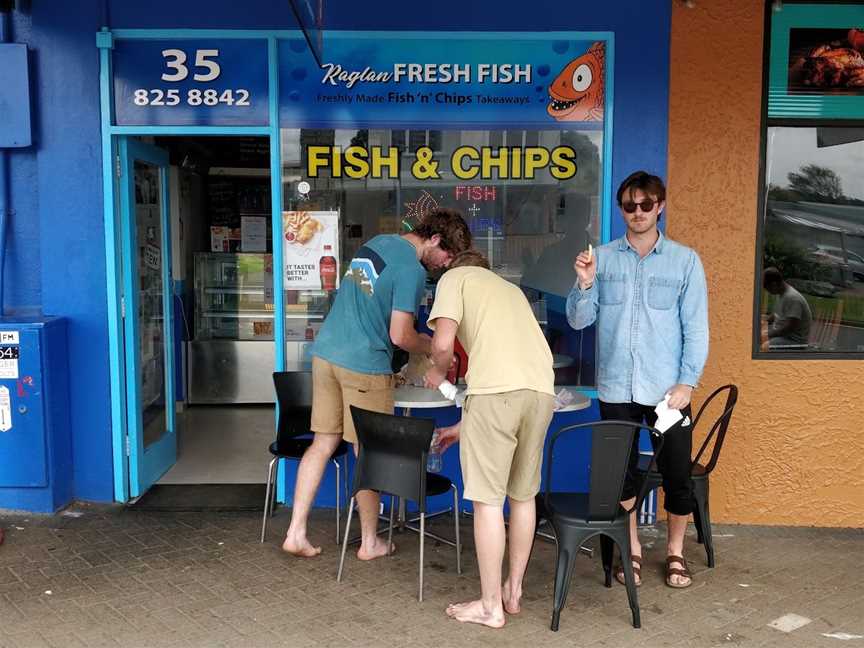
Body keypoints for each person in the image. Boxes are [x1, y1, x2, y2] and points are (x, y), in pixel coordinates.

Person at [282, 208, 471, 560]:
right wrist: (434, 347)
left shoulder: (378, 243)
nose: (445, 264)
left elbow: (370, 304)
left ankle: (296, 532)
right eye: (447, 255)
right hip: (363, 365)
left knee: (323, 442)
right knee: (368, 452)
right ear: (434, 239)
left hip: (326, 354)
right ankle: (370, 542)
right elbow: (400, 335)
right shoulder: (412, 270)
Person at [566, 171, 709, 589]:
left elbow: (696, 329)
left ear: (660, 205)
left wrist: (687, 384)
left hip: (669, 393)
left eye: (646, 204)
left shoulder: (685, 260)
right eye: (630, 205)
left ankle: (676, 553)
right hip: (616, 387)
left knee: (677, 474)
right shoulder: (601, 258)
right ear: (621, 209)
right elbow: (578, 320)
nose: (638, 212)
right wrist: (585, 282)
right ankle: (631, 548)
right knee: (621, 475)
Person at [423, 249, 555, 628]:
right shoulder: (510, 290)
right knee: (523, 495)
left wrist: (437, 371)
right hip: (541, 392)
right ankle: (513, 591)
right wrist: (466, 426)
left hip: (497, 393)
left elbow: (444, 343)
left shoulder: (454, 278)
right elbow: (513, 382)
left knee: (487, 502)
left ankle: (489, 606)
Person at [763, 267, 812, 349]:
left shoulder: (793, 298)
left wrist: (767, 334)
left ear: (774, 285)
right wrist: (763, 321)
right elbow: (776, 315)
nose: (768, 292)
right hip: (783, 336)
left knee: (762, 347)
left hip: (794, 341)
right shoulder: (781, 294)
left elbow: (789, 328)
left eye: (768, 289)